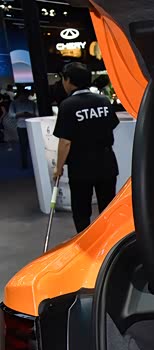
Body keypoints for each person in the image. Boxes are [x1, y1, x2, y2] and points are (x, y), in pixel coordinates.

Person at [53, 63, 120, 233]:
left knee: (81, 210)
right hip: (106, 162)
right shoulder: (103, 101)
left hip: (81, 166)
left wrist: (58, 168)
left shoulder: (67, 105)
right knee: (108, 207)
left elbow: (65, 142)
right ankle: (109, 241)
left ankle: (85, 242)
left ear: (68, 80)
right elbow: (112, 125)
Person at [8, 88, 38, 169]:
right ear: (20, 95)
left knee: (34, 145)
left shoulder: (32, 103)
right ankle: (24, 163)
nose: (25, 97)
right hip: (21, 126)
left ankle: (35, 163)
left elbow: (37, 114)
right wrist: (19, 114)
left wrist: (31, 115)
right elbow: (10, 114)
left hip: (32, 126)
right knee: (23, 145)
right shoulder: (14, 103)